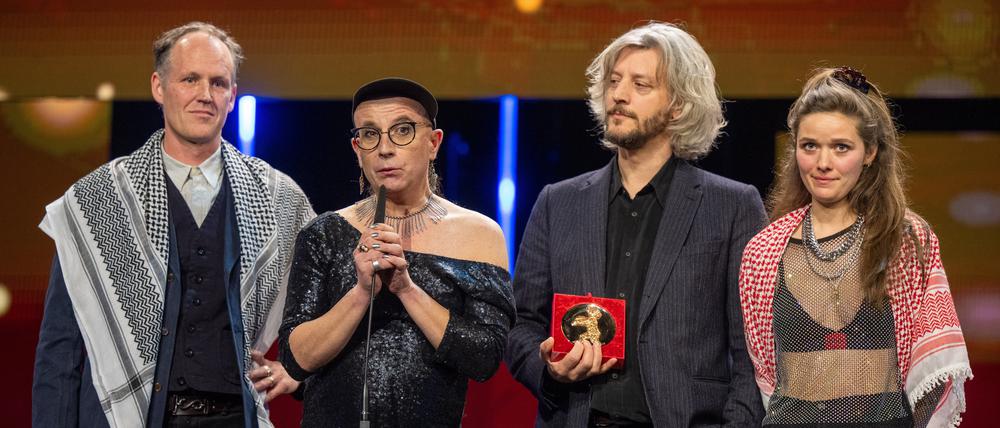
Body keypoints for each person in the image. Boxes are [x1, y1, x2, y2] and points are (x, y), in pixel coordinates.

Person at [32, 22, 315, 427]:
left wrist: (295, 370)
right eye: (189, 79)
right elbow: (61, 350)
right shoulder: (97, 201)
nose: (205, 95)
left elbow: (318, 311)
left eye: (218, 83)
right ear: (159, 87)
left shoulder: (278, 198)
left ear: (232, 96)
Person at [505, 22, 767, 426]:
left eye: (640, 85)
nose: (619, 95)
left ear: (678, 104)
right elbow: (522, 326)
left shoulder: (732, 206)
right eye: (613, 81)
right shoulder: (558, 202)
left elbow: (754, 350)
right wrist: (551, 372)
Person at [739, 67, 973, 427]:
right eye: (809, 146)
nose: (823, 163)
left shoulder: (905, 238)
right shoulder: (764, 251)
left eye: (841, 147)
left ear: (870, 152)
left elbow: (931, 372)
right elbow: (766, 375)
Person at [278, 77, 515, 427]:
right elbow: (296, 359)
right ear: (357, 150)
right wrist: (360, 294)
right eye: (370, 135)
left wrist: (406, 289)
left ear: (434, 143)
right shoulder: (324, 233)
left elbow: (484, 360)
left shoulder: (480, 235)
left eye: (402, 130)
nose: (385, 149)